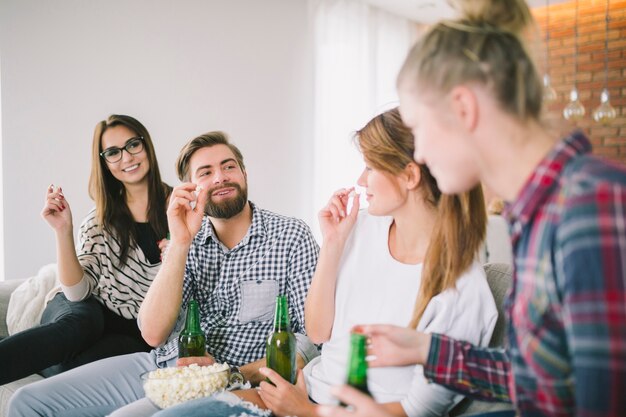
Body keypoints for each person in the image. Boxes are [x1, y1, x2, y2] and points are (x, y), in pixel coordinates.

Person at [320, 0, 626, 416]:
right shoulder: (536, 215)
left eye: (420, 127)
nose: (421, 153)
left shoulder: (590, 208)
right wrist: (428, 349)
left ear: (463, 109)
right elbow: (540, 377)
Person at [152, 108, 498, 417]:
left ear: (409, 176)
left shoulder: (462, 290)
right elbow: (318, 332)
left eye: (370, 166)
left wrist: (308, 412)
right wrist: (333, 244)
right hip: (300, 392)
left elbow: (418, 411)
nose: (361, 181)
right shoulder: (360, 228)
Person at [8, 131, 320, 417]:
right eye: (206, 173)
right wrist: (180, 243)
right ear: (192, 188)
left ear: (244, 174)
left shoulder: (291, 236)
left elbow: (312, 339)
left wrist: (239, 373)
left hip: (235, 382)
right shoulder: (184, 237)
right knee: (26, 403)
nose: (221, 178)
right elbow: (153, 333)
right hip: (164, 366)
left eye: (229, 167)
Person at [0, 114, 170, 385]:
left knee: (132, 356)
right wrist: (63, 231)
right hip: (81, 308)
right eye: (113, 152)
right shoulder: (100, 219)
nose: (127, 158)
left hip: (133, 331)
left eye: (133, 145)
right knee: (85, 323)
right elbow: (77, 293)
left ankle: (33, 358)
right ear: (104, 162)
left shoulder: (181, 210)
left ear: (146, 145)